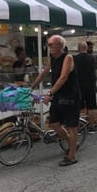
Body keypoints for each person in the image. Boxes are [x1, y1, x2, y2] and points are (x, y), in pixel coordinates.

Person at [31, 35, 81, 166]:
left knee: (72, 127)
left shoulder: (68, 58)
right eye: (49, 44)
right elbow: (44, 72)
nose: (50, 47)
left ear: (61, 45)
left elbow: (63, 77)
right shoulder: (52, 59)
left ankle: (72, 156)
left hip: (70, 96)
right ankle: (72, 143)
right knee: (53, 123)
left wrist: (49, 93)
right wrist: (32, 86)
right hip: (59, 96)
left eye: (53, 44)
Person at [74, 41, 97, 133]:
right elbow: (95, 69)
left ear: (78, 48)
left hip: (78, 86)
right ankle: (91, 127)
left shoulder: (74, 58)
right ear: (86, 48)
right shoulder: (92, 58)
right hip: (91, 86)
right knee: (91, 107)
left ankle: (79, 128)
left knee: (79, 108)